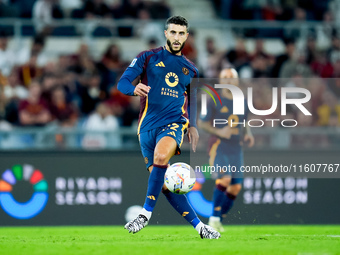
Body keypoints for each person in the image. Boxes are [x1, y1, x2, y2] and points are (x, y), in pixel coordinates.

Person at [117, 15, 220, 239]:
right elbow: (123, 82)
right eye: (173, 32)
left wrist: (191, 125)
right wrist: (134, 90)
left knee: (161, 156)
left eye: (181, 33)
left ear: (186, 36)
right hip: (146, 128)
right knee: (163, 184)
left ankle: (144, 215)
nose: (176, 37)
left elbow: (192, 100)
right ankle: (200, 228)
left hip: (174, 123)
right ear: (166, 33)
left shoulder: (191, 70)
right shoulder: (147, 57)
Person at [198, 68, 254, 232]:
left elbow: (244, 120)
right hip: (219, 145)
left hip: (236, 147)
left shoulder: (242, 100)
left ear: (237, 81)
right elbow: (202, 123)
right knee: (225, 178)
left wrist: (248, 134)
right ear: (221, 81)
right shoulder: (214, 99)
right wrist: (220, 131)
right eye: (225, 78)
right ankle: (214, 219)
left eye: (232, 78)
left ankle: (218, 220)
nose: (229, 81)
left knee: (236, 187)